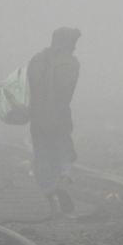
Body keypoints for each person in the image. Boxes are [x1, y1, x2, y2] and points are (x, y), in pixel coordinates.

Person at [27, 27, 81, 216]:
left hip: (37, 118)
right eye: (74, 42)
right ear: (68, 43)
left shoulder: (36, 59)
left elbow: (29, 85)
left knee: (42, 155)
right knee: (64, 153)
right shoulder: (70, 63)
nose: (75, 47)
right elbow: (66, 92)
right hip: (59, 117)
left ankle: (50, 193)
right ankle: (63, 182)